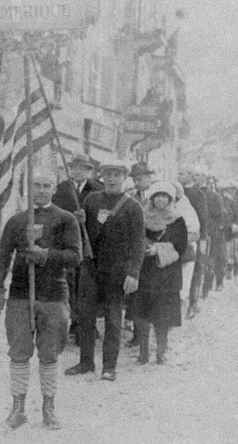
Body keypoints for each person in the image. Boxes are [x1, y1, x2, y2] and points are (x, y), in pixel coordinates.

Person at [0, 173, 81, 429]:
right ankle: (18, 408)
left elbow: (75, 257)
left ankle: (49, 408)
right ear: (29, 189)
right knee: (19, 353)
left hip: (53, 295)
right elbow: (2, 256)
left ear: (53, 189)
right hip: (20, 294)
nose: (41, 190)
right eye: (36, 185)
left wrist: (46, 255)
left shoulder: (66, 219)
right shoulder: (17, 221)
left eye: (46, 185)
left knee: (49, 354)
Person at [65, 160, 144, 382]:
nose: (112, 179)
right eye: (108, 174)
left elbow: (138, 243)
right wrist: (78, 220)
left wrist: (134, 273)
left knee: (112, 319)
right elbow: (82, 233)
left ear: (124, 178)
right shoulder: (92, 200)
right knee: (85, 316)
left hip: (117, 271)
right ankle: (86, 362)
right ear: (102, 176)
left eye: (117, 175)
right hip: (91, 267)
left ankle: (109, 366)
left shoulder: (133, 206)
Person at [133, 182, 187, 365]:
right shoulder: (142, 216)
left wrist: (159, 250)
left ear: (170, 199)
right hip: (145, 272)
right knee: (142, 315)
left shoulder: (177, 220)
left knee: (162, 317)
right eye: (157, 196)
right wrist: (143, 248)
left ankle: (161, 352)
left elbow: (181, 245)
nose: (160, 200)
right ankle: (143, 352)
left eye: (164, 196)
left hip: (166, 275)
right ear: (152, 198)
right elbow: (135, 237)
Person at [52, 153, 103, 344]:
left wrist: (87, 219)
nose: (79, 171)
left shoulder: (98, 189)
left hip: (91, 245)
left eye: (84, 168)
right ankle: (74, 321)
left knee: (89, 284)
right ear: (70, 169)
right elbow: (54, 215)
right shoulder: (61, 190)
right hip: (69, 244)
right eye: (75, 167)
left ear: (90, 171)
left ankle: (89, 323)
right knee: (70, 283)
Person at [124, 162, 155, 346]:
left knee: (148, 293)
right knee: (134, 293)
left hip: (151, 250)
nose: (138, 181)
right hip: (135, 249)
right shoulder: (131, 197)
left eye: (141, 178)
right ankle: (137, 334)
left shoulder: (158, 196)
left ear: (149, 178)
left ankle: (148, 333)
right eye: (135, 179)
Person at [178, 166, 208, 319]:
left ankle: (193, 303)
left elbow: (203, 218)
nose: (179, 175)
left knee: (196, 269)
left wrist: (202, 239)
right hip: (180, 237)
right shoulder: (178, 193)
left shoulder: (198, 194)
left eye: (181, 173)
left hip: (194, 236)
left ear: (189, 176)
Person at [173, 182, 200, 314]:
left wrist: (179, 241)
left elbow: (195, 233)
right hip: (170, 252)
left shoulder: (187, 210)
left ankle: (179, 314)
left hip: (186, 251)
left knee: (183, 286)